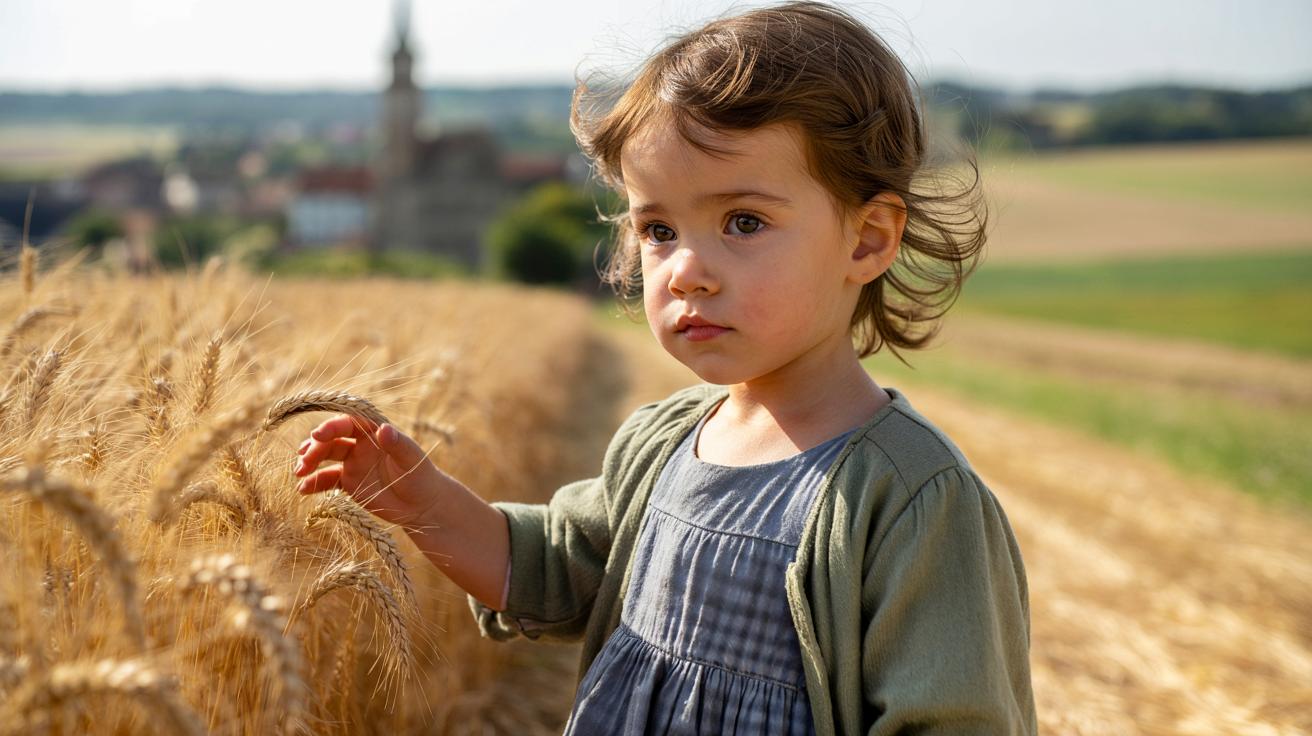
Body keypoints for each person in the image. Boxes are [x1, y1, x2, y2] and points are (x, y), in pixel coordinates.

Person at [292, 2, 1037, 733]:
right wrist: (427, 507)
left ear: (869, 240)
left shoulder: (909, 500)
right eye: (657, 229)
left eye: (743, 222)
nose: (685, 271)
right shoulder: (659, 443)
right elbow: (553, 570)